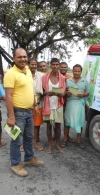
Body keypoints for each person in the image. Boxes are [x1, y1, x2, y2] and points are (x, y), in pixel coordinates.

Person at [4, 48, 44, 177]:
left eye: (24, 57)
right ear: (13, 58)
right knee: (16, 140)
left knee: (29, 138)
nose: (23, 59)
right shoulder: (11, 73)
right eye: (19, 57)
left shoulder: (27, 71)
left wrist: (35, 105)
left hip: (28, 112)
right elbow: (8, 96)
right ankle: (15, 164)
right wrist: (11, 116)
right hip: (18, 112)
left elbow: (30, 90)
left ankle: (29, 158)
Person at [42, 58, 66, 154]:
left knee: (58, 125)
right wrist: (47, 92)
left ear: (59, 66)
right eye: (53, 64)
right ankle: (50, 144)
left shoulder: (62, 78)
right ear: (50, 65)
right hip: (48, 104)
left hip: (58, 104)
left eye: (57, 64)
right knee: (48, 126)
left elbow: (64, 93)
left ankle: (57, 144)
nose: (55, 66)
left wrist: (62, 94)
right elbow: (42, 92)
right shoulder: (45, 77)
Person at [63, 64, 90, 148]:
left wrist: (82, 94)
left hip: (79, 103)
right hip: (70, 103)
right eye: (75, 71)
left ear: (81, 72)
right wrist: (67, 93)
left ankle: (79, 141)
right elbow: (64, 92)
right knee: (67, 122)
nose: (77, 73)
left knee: (80, 122)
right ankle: (65, 140)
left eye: (79, 71)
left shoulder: (85, 81)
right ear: (72, 71)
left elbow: (88, 92)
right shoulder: (68, 81)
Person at [28, 58, 43, 151]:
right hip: (27, 103)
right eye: (32, 64)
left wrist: (39, 100)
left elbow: (43, 90)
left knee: (37, 124)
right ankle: (24, 143)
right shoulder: (25, 75)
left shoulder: (40, 76)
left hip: (38, 102)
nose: (34, 66)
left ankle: (35, 142)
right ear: (29, 65)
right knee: (26, 124)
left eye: (35, 64)